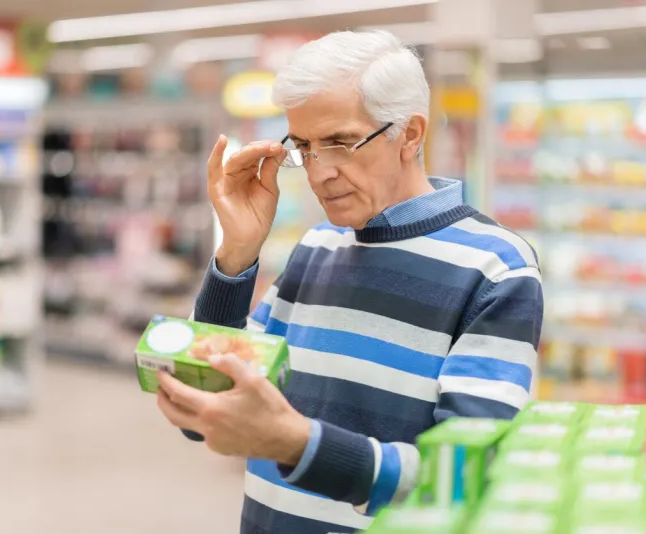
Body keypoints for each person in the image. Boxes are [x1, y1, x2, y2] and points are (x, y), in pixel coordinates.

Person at [155, 30, 543, 534]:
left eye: (339, 142)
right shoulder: (318, 248)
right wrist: (235, 255)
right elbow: (205, 409)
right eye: (304, 148)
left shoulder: (496, 269)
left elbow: (464, 480)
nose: (320, 174)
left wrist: (297, 444)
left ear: (410, 133)